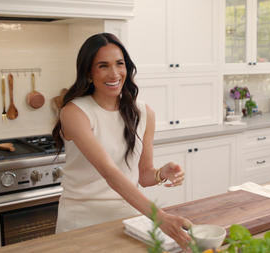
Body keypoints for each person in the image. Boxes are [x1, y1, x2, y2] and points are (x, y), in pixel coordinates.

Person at [52, 33, 192, 250]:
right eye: (103, 66)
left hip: (130, 220)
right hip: (82, 221)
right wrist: (161, 217)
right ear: (88, 72)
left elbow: (143, 175)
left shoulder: (143, 112)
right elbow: (110, 173)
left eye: (120, 64)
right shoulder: (75, 113)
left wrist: (161, 173)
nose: (114, 73)